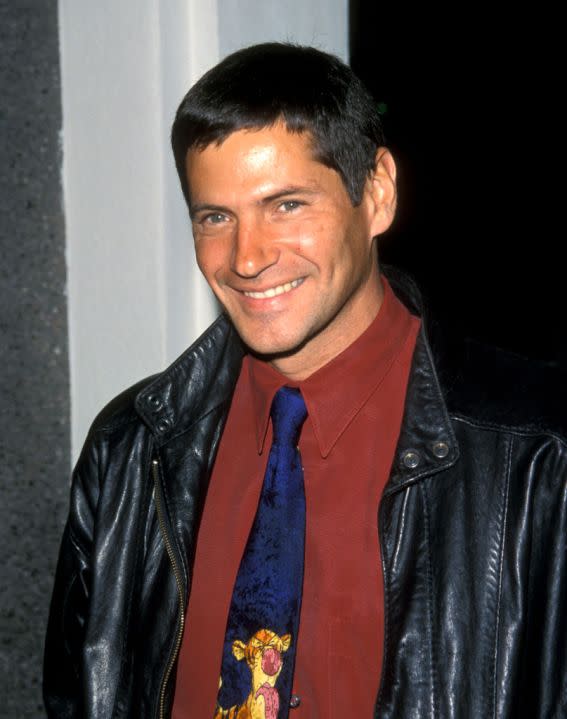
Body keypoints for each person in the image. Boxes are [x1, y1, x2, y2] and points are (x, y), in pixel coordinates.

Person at [44, 43, 566, 719]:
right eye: (215, 217)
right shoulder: (130, 451)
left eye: (285, 205)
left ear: (375, 193)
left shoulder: (537, 452)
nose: (247, 257)